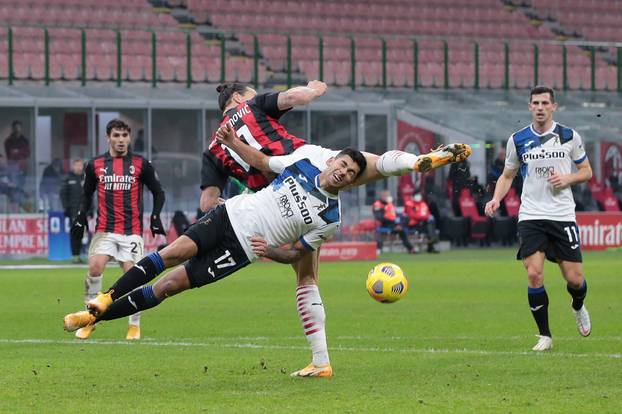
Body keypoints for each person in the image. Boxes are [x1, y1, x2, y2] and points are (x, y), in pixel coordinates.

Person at [198, 81, 471, 376]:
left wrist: (238, 211)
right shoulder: (251, 106)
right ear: (237, 97)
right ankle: (415, 161)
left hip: (279, 204)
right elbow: (294, 97)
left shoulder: (214, 148)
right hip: (305, 160)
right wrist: (314, 89)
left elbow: (207, 203)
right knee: (372, 165)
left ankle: (321, 361)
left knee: (306, 278)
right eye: (251, 92)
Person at [64, 144, 368, 380]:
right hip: (229, 215)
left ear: (352, 182)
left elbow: (295, 254)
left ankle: (94, 318)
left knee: (170, 286)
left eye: (352, 173)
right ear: (331, 161)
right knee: (173, 253)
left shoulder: (330, 218)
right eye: (343, 164)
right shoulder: (301, 163)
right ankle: (105, 298)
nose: (344, 172)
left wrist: (268, 251)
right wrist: (233, 141)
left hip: (241, 251)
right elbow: (263, 163)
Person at [484, 85, 592, 352]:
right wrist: (496, 198)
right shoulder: (517, 140)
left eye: (545, 103)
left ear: (554, 107)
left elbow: (586, 171)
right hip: (531, 215)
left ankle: (578, 305)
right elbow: (508, 175)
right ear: (530, 107)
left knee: (575, 280)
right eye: (536, 103)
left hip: (562, 215)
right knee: (534, 274)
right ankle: (545, 335)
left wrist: (568, 177)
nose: (541, 107)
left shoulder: (569, 136)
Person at [70, 119, 166, 340]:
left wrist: (155, 216)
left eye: (124, 136)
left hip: (131, 231)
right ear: (108, 138)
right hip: (105, 228)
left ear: (129, 138)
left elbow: (158, 191)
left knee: (132, 276)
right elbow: (86, 194)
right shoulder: (95, 164)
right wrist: (80, 217)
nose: (121, 140)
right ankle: (89, 320)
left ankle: (134, 325)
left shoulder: (141, 164)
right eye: (116, 136)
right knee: (94, 268)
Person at [60, 159, 85, 263]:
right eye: (77, 165)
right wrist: (66, 208)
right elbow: (63, 195)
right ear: (73, 166)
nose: (79, 167)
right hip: (73, 211)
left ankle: (78, 255)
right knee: (75, 233)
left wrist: (91, 209)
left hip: (84, 211)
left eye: (81, 165)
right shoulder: (68, 179)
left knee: (82, 234)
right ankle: (75, 256)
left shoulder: (86, 178)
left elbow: (89, 195)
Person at [4, 120, 30, 207]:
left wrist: (17, 152)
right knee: (14, 188)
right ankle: (14, 208)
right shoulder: (9, 140)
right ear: (13, 128)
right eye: (16, 128)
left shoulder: (24, 140)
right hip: (12, 167)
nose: (17, 130)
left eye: (19, 128)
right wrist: (19, 152)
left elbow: (27, 153)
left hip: (22, 168)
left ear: (21, 128)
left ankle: (20, 207)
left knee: (21, 187)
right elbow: (10, 153)